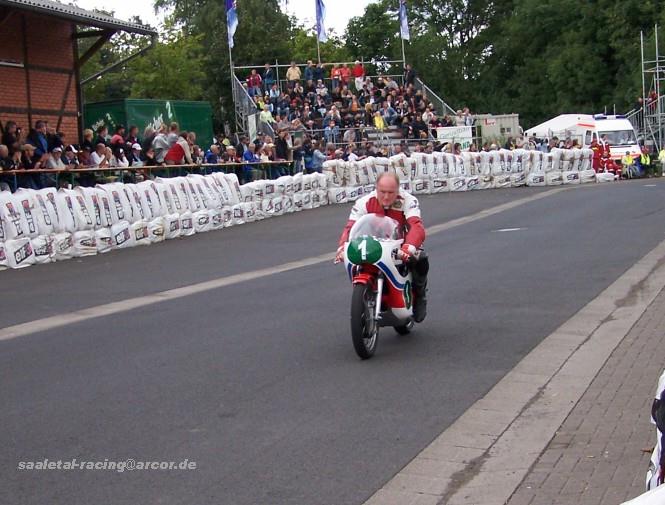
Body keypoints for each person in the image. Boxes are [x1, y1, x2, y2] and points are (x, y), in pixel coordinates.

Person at [334, 172, 428, 322]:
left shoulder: (409, 200)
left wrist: (408, 247)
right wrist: (342, 248)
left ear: (398, 190)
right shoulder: (364, 202)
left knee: (421, 259)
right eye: (382, 192)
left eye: (391, 192)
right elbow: (350, 227)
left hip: (402, 244)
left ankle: (420, 294)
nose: (386, 196)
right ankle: (365, 296)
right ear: (376, 188)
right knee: (359, 263)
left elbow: (416, 226)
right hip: (374, 244)